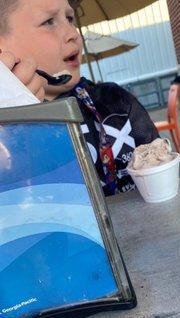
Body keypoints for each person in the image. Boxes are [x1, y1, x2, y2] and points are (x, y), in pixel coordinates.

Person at [0, 0, 159, 196]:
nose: (73, 34)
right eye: (49, 21)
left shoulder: (115, 102)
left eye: (69, 18)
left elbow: (161, 167)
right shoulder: (5, 129)